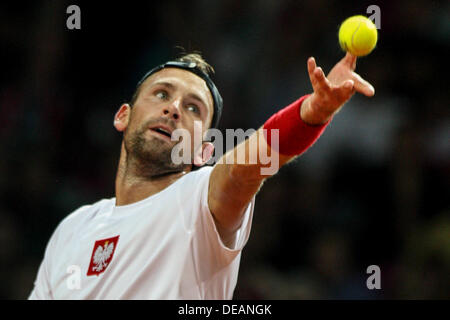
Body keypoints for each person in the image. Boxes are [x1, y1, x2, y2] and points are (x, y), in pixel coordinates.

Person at [28, 51, 374, 299]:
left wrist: (313, 112)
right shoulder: (74, 228)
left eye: (193, 108)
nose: (173, 109)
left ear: (204, 151)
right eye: (161, 94)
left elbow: (246, 168)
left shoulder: (199, 200)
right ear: (123, 116)